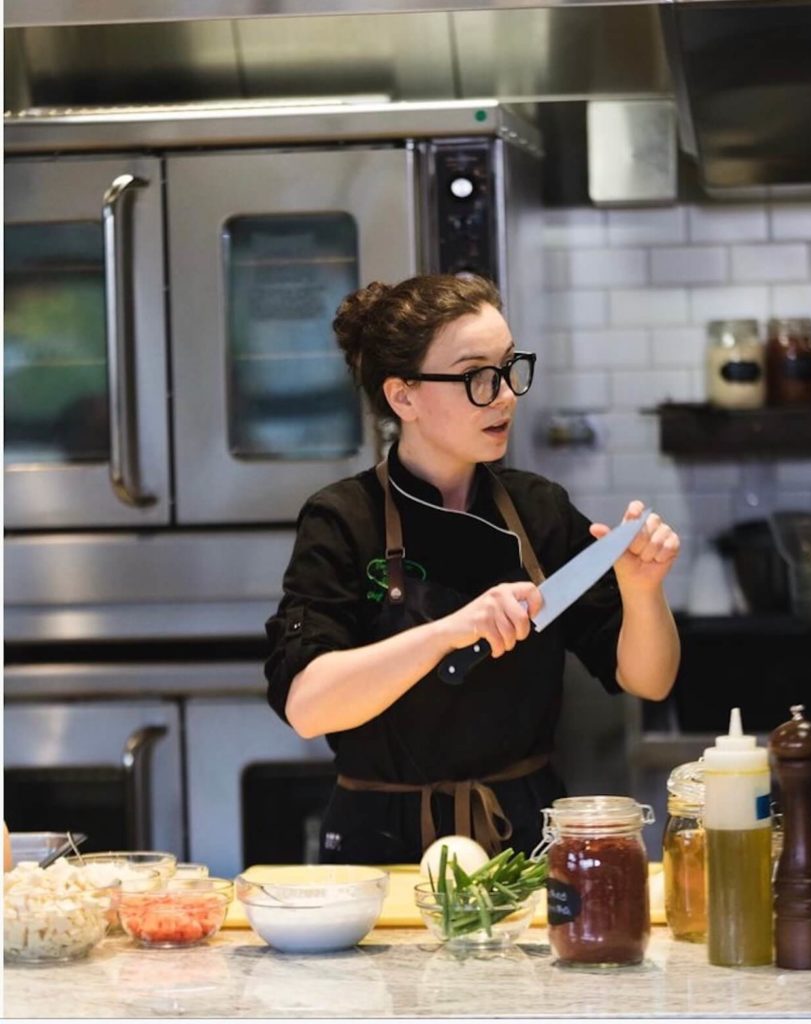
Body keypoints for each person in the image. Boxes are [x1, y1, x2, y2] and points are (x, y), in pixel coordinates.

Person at [265, 274, 680, 865]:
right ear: (402, 396)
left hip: (527, 842)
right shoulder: (343, 520)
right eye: (476, 377)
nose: (506, 394)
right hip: (382, 851)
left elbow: (649, 678)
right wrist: (450, 631)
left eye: (510, 368)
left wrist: (643, 593)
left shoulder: (540, 511)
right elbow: (309, 706)